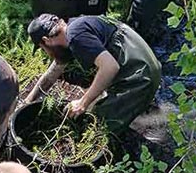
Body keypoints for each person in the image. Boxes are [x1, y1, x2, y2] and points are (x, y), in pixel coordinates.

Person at [23, 13, 161, 136]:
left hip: (140, 78)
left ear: (46, 40)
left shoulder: (76, 36)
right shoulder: (74, 27)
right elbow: (54, 71)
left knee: (97, 127)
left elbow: (110, 67)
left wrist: (82, 103)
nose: (48, 54)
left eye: (43, 49)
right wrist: (27, 102)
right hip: (142, 66)